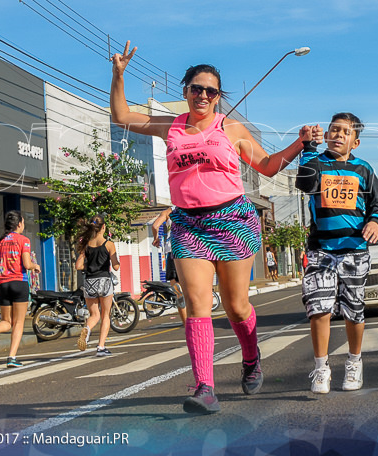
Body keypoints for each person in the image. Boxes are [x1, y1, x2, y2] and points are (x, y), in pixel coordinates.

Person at [110, 41, 312, 415]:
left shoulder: (229, 128)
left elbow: (267, 166)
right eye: (196, 89)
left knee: (236, 307)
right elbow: (122, 117)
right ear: (185, 92)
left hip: (232, 220)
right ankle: (205, 386)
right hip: (188, 224)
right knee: (197, 304)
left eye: (210, 91)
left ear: (218, 97)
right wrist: (118, 75)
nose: (203, 95)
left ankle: (250, 358)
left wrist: (299, 143)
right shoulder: (170, 126)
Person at [295, 113, 378, 394]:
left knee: (353, 312)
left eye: (344, 132)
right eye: (333, 130)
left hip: (355, 251)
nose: (336, 135)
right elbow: (304, 184)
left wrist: (374, 222)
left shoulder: (364, 170)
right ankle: (321, 368)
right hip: (320, 250)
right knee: (318, 310)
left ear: (355, 142)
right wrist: (309, 147)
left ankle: (354, 361)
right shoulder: (316, 162)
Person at [0, 211, 42, 368]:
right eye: (22, 222)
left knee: (6, 321)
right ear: (19, 224)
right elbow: (27, 264)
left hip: (3, 284)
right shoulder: (24, 240)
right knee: (19, 322)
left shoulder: (0, 242)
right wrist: (35, 266)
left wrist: (1, 271)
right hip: (19, 283)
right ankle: (11, 357)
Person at [74, 214, 120, 356]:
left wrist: (89, 266)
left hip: (89, 282)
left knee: (94, 314)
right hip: (105, 281)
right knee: (106, 315)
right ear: (104, 227)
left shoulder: (86, 244)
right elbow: (116, 266)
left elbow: (78, 265)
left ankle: (87, 328)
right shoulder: (109, 244)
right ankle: (100, 347)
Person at [151, 208, 186, 326]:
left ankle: (186, 323)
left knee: (178, 293)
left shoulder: (168, 212)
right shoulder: (190, 208)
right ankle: (196, 320)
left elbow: (155, 226)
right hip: (189, 252)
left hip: (172, 252)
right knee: (192, 289)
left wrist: (156, 239)